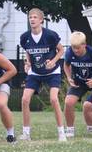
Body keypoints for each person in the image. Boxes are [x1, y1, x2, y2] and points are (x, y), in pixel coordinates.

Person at [19, 8, 66, 141]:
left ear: (41, 20)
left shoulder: (50, 35)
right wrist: (27, 63)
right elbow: (28, 51)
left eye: (34, 17)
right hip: (35, 72)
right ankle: (26, 133)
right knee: (25, 99)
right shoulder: (25, 37)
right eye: (30, 17)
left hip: (52, 72)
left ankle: (61, 132)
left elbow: (61, 50)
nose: (32, 19)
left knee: (53, 99)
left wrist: (53, 61)